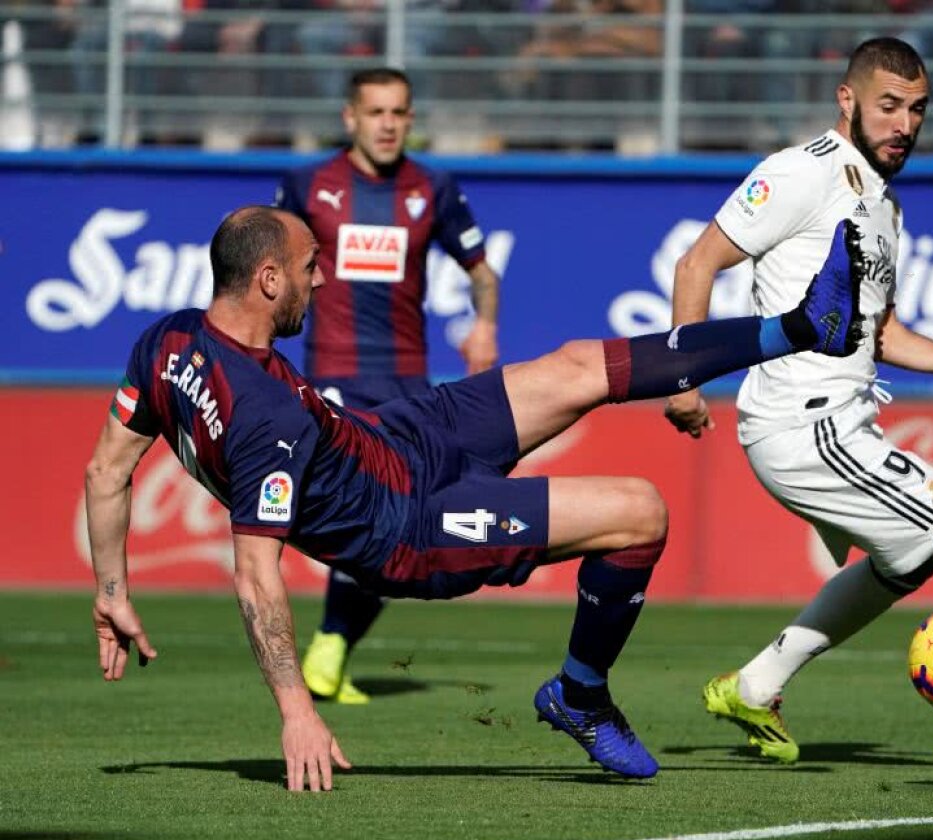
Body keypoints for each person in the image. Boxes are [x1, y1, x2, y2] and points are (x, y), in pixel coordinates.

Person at [85, 204, 866, 791]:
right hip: (410, 527)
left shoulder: (168, 341)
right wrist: (296, 710)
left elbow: (106, 470)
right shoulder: (264, 417)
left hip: (396, 435)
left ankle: (804, 325)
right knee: (641, 511)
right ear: (267, 279)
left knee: (574, 365)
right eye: (310, 265)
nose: (321, 278)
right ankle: (581, 695)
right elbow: (256, 574)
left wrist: (112, 589)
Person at [664, 37, 933, 776]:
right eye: (889, 106)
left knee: (903, 565)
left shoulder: (882, 202)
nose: (905, 124)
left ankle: (756, 685)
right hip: (806, 422)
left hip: (842, 418)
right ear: (847, 100)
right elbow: (698, 261)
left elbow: (880, 331)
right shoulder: (802, 174)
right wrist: (684, 378)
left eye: (917, 109)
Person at [276, 66, 502, 705]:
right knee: (360, 510)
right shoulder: (306, 186)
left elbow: (482, 271)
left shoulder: (432, 188)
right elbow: (267, 262)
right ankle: (321, 648)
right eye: (375, 112)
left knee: (400, 522)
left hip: (406, 380)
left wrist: (484, 326)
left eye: (398, 112)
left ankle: (332, 645)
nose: (387, 124)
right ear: (350, 118)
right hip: (333, 374)